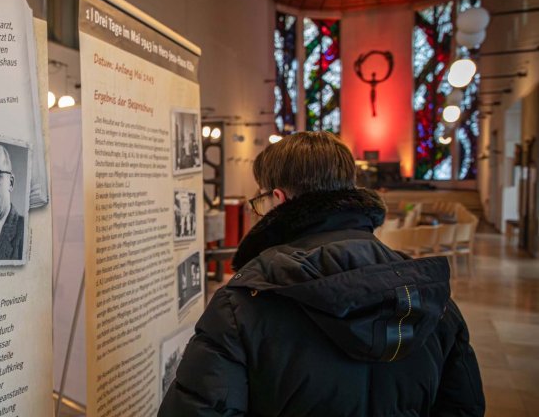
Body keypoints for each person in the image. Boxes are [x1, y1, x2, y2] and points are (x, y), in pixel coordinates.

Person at [158, 131, 484, 416]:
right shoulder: (427, 294)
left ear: (277, 200)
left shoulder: (243, 305)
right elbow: (462, 405)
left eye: (259, 202)